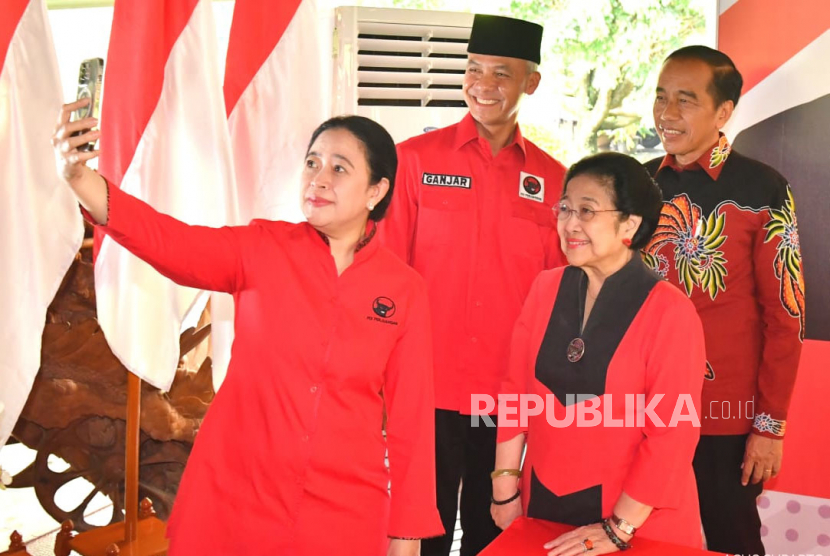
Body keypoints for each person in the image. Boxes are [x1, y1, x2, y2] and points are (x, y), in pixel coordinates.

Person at [52, 103, 443, 556]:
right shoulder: (262, 247)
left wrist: (407, 532)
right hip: (236, 494)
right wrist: (79, 178)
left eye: (340, 168)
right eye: (312, 163)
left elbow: (412, 421)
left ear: (376, 191)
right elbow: (168, 241)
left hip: (346, 508)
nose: (318, 178)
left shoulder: (405, 290)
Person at [381, 14, 567, 556]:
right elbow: (386, 274)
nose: (483, 85)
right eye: (474, 70)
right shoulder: (414, 161)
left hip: (504, 396)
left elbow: (559, 294)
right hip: (425, 387)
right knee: (423, 530)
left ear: (530, 82)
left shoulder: (554, 181)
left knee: (494, 538)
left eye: (501, 74)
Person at [492, 152, 706, 555]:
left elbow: (671, 436)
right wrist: (505, 486)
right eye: (565, 208)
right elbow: (513, 392)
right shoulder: (545, 288)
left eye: (587, 211)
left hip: (639, 523)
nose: (570, 224)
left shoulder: (670, 312)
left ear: (630, 224)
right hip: (544, 507)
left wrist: (617, 529)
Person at [645, 46, 804, 555]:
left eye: (685, 101)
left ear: (723, 112)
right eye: (661, 97)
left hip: (726, 418)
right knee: (645, 539)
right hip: (643, 409)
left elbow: (786, 316)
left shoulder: (762, 188)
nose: (667, 114)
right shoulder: (639, 185)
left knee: (729, 539)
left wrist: (769, 426)